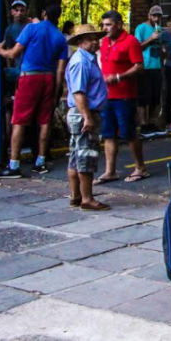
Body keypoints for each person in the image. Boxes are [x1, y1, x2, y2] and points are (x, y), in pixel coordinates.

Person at [0, 4, 69, 178]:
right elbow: (61, 71)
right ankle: (40, 162)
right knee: (44, 121)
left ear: (43, 12)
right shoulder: (61, 38)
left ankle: (14, 165)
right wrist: (56, 92)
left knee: (19, 120)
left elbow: (13, 54)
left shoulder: (31, 29)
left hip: (29, 77)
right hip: (48, 78)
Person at [97, 10, 148, 184]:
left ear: (119, 24)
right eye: (103, 25)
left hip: (125, 94)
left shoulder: (130, 41)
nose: (105, 28)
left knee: (128, 132)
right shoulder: (104, 42)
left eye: (109, 24)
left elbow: (139, 67)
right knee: (108, 133)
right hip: (106, 95)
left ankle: (140, 167)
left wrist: (119, 76)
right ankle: (110, 170)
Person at [64, 24, 110, 211]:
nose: (94, 42)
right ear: (80, 42)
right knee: (86, 155)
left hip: (82, 112)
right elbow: (79, 92)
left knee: (76, 155)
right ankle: (87, 198)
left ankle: (77, 195)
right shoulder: (81, 62)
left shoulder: (86, 60)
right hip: (84, 112)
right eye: (90, 39)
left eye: (95, 38)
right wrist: (87, 117)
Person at [134, 5, 165, 139]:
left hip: (156, 66)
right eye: (154, 15)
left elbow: (160, 46)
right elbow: (136, 47)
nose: (156, 18)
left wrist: (162, 49)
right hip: (144, 67)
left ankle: (152, 123)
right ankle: (143, 125)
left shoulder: (159, 29)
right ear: (149, 15)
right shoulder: (141, 28)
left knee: (155, 98)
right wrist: (150, 39)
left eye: (158, 16)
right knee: (143, 98)